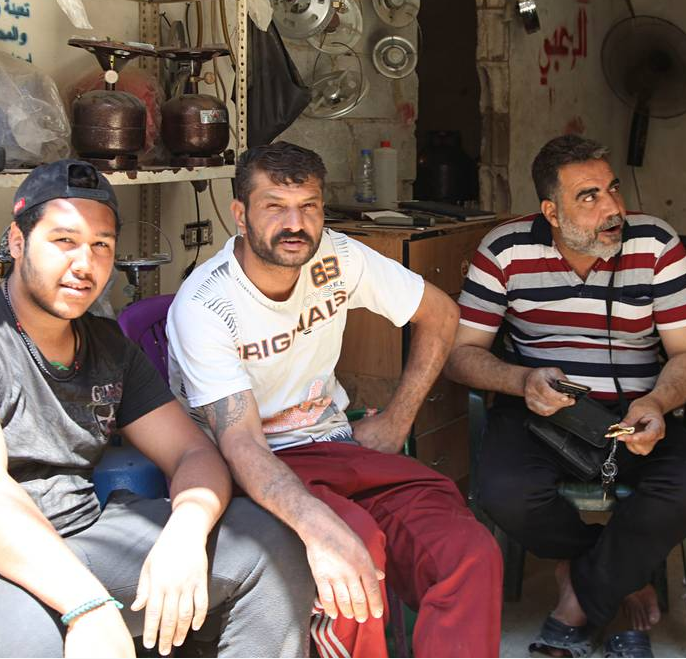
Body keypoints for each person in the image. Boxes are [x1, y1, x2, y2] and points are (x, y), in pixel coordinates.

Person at [0, 159, 314, 658]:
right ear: (17, 242)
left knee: (271, 546)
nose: (85, 263)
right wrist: (88, 606)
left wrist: (186, 531)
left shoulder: (106, 345)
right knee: (27, 634)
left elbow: (193, 453)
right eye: (63, 241)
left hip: (79, 540)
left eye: (101, 245)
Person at [166, 141, 503, 658]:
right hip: (253, 465)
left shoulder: (338, 256)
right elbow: (241, 445)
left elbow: (440, 314)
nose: (295, 223)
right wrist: (319, 528)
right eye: (275, 206)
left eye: (310, 206)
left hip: (334, 445)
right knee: (352, 552)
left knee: (468, 552)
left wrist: (397, 420)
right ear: (240, 214)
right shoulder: (207, 304)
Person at [444, 134, 686, 658]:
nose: (613, 207)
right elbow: (462, 355)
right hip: (542, 413)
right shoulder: (504, 250)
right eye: (589, 197)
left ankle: (580, 598)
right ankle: (622, 583)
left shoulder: (656, 245)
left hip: (635, 411)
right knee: (504, 492)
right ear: (551, 210)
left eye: (612, 189)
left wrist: (658, 403)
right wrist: (520, 381)